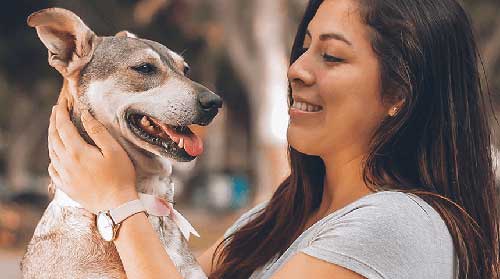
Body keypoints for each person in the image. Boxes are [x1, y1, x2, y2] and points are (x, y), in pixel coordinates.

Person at [47, 0, 500, 278]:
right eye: (304, 47)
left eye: (332, 56)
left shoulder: (397, 226)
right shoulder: (277, 216)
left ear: (399, 93)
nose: (296, 68)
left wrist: (118, 201)